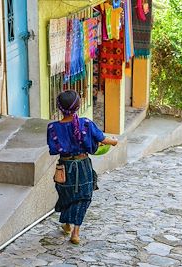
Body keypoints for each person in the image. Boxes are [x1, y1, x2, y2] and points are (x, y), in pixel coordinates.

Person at [47, 90, 118, 245]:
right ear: (78, 107)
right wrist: (114, 141)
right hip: (82, 166)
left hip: (64, 167)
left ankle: (66, 224)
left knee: (66, 195)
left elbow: (53, 149)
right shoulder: (85, 123)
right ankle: (75, 233)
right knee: (84, 197)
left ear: (60, 108)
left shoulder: (52, 128)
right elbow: (102, 139)